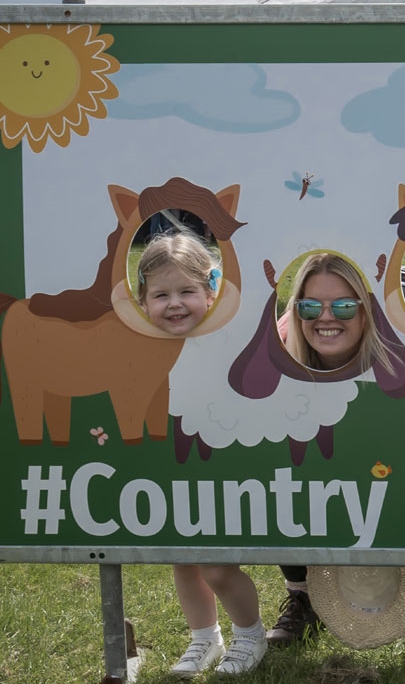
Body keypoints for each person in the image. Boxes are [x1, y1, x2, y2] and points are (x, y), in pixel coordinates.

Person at [264, 252, 405, 663]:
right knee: (282, 467)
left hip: (392, 378)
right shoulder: (281, 344)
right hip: (310, 399)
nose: (326, 317)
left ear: (367, 308)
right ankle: (302, 596)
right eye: (310, 305)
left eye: (343, 305)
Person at [137, 230, 268, 677]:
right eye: (161, 295)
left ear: (210, 293)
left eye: (186, 292)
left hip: (218, 464)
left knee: (216, 564)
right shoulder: (142, 344)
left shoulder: (223, 338)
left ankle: (251, 635)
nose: (174, 303)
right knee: (183, 558)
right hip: (173, 463)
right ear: (142, 301)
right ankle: (204, 639)